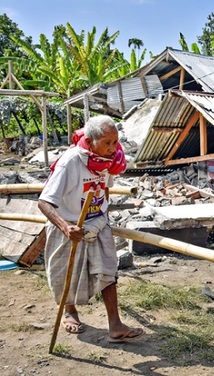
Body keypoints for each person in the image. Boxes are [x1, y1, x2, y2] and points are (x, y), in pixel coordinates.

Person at [38, 115, 144, 343]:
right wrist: (66, 227)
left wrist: (102, 210)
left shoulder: (110, 159)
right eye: (107, 143)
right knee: (66, 272)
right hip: (68, 222)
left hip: (97, 221)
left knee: (108, 271)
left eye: (115, 142)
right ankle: (70, 311)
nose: (113, 148)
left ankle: (115, 325)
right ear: (90, 140)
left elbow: (105, 188)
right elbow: (44, 202)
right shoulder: (71, 162)